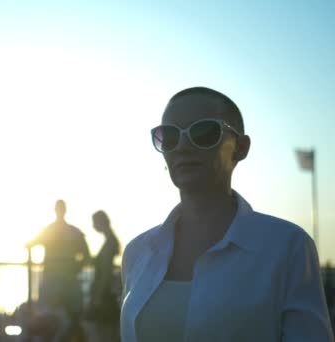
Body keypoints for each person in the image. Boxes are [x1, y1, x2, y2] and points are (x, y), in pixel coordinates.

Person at [120, 86, 334, 341]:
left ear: (241, 148)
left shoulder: (287, 247)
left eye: (204, 132)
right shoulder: (137, 252)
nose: (183, 147)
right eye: (169, 136)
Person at [26, 199, 91, 341]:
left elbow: (29, 244)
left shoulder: (48, 231)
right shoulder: (74, 232)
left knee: (52, 319)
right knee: (71, 319)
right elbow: (87, 257)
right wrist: (75, 268)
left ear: (56, 210)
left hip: (53, 282)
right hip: (68, 282)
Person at [87, 210, 120, 341]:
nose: (93, 226)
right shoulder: (110, 241)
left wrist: (97, 297)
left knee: (104, 332)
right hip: (106, 292)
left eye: (94, 222)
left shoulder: (109, 243)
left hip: (104, 294)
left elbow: (106, 274)